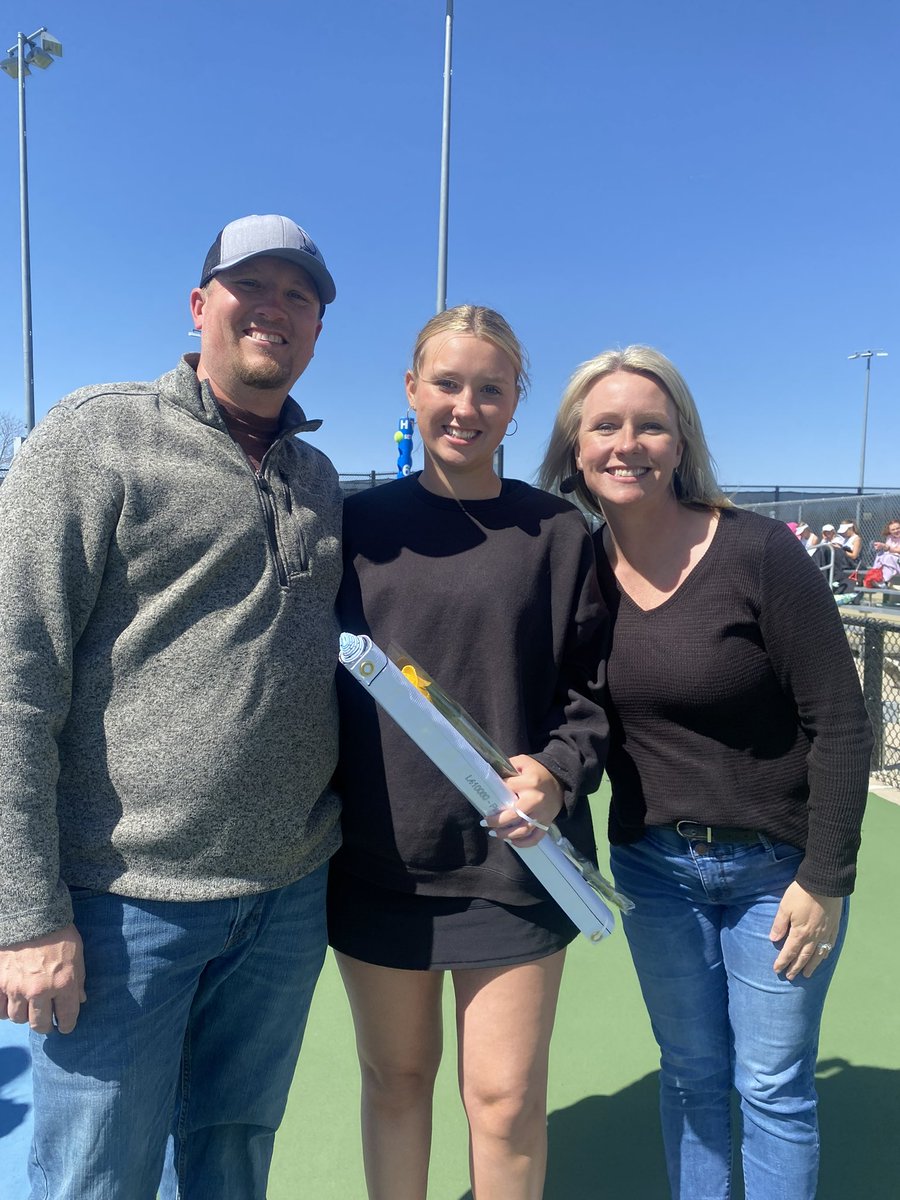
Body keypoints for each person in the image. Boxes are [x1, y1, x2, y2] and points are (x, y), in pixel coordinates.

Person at [0, 214, 343, 1200]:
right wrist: (25, 915)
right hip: (123, 904)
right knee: (97, 1176)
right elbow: (15, 674)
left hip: (285, 898)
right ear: (201, 308)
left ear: (318, 330)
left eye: (300, 296)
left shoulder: (315, 477)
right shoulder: (98, 434)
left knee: (233, 1160)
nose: (275, 309)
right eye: (252, 287)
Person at [539, 345, 872, 1200]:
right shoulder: (574, 571)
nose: (628, 443)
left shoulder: (759, 553)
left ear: (680, 443)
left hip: (777, 875)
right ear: (576, 447)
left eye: (651, 425)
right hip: (657, 875)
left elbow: (839, 720)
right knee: (689, 1075)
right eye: (605, 425)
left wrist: (825, 877)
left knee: (771, 1088)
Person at [330, 305, 608, 1200]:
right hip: (381, 862)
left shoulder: (559, 534)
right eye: (446, 383)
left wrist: (559, 777)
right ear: (412, 390)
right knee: (397, 1082)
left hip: (516, 863)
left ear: (516, 402)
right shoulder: (355, 527)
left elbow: (593, 695)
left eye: (490, 388)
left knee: (505, 1099)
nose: (466, 405)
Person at [864, 517, 900, 587]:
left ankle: (881, 580)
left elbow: (895, 550)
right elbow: (888, 550)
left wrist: (887, 547)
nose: (896, 531)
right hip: (893, 561)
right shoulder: (890, 537)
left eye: (898, 528)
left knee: (888, 558)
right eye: (893, 529)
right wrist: (881, 547)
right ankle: (876, 577)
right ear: (889, 531)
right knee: (881, 555)